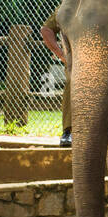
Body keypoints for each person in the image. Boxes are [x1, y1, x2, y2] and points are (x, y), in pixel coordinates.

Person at [40, 8, 71, 147]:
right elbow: (46, 30)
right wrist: (61, 55)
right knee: (73, 83)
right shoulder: (69, 4)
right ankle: (69, 131)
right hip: (76, 60)